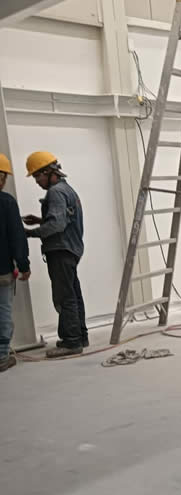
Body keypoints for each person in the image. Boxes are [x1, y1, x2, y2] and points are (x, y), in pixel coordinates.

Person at [22, 152, 88, 358]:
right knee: (74, 294)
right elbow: (62, 220)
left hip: (60, 250)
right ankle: (80, 336)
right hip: (71, 249)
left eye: (37, 177)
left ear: (48, 172)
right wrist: (41, 221)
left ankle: (71, 342)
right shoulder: (67, 189)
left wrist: (30, 233)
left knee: (64, 296)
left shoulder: (56, 193)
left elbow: (58, 225)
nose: (37, 182)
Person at [0, 154, 31, 372]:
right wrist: (24, 265)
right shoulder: (6, 202)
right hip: (2, 270)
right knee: (3, 311)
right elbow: (16, 238)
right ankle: (2, 355)